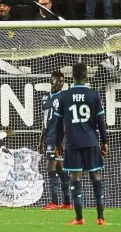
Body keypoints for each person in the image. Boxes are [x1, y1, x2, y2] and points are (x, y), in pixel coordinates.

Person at [54, 63, 108, 225]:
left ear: (73, 77)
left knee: (75, 178)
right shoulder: (94, 95)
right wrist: (104, 141)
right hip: (91, 141)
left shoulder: (64, 96)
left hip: (73, 143)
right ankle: (100, 218)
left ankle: (79, 218)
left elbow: (58, 124)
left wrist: (58, 144)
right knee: (96, 177)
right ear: (86, 77)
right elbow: (100, 121)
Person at [39, 71, 72, 210]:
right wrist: (41, 139)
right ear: (51, 81)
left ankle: (54, 202)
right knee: (59, 168)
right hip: (49, 135)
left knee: (50, 167)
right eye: (58, 81)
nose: (60, 84)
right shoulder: (45, 98)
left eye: (62, 81)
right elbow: (44, 120)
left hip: (58, 136)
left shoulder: (64, 97)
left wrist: (62, 142)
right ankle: (67, 202)